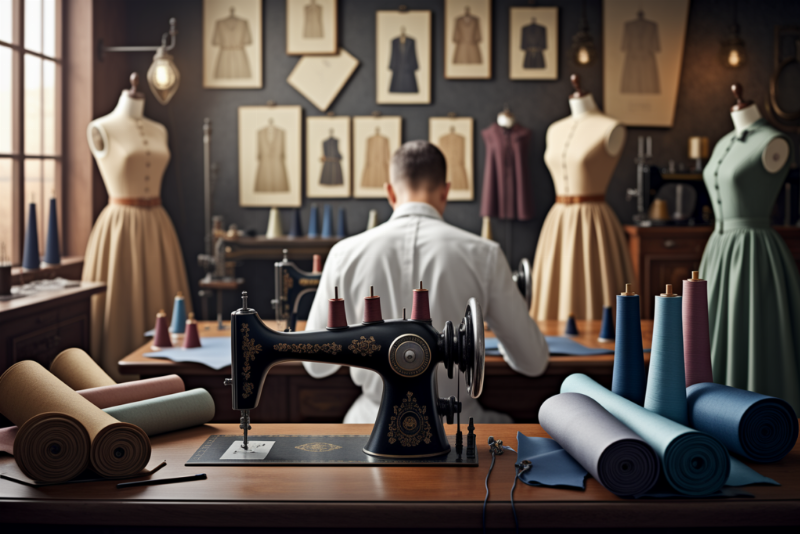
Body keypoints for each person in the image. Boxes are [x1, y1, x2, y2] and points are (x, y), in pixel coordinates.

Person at [303, 141, 549, 423]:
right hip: (455, 422)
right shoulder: (485, 254)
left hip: (370, 423)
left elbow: (316, 366)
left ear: (390, 192)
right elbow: (533, 362)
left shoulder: (344, 254)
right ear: (446, 191)